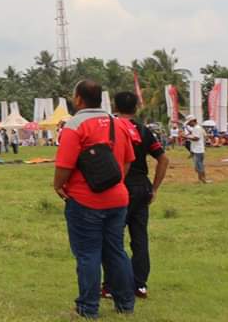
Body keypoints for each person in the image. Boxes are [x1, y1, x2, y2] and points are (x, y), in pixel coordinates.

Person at [53, 79, 136, 318]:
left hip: (85, 200)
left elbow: (64, 165)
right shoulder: (118, 123)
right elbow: (128, 160)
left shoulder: (75, 125)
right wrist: (115, 181)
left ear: (78, 98)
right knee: (116, 251)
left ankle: (88, 308)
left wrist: (58, 186)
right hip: (118, 199)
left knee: (88, 254)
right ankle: (125, 304)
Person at [101, 92, 169, 301]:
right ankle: (139, 285)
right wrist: (154, 188)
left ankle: (112, 286)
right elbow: (163, 159)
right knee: (140, 239)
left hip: (121, 187)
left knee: (112, 239)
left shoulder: (112, 128)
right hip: (142, 188)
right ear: (137, 108)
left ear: (115, 105)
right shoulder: (143, 130)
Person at [183, 115, 207, 184]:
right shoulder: (196, 128)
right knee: (198, 165)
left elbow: (196, 138)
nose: (189, 125)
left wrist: (186, 136)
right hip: (196, 149)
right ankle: (200, 179)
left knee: (199, 165)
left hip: (198, 150)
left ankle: (203, 179)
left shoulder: (197, 128)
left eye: (189, 123)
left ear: (193, 121)